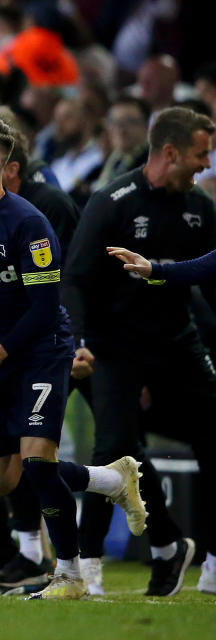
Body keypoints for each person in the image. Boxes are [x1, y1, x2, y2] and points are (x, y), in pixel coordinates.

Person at [0, 113, 146, 600]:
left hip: (40, 350)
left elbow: (45, 308)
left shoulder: (29, 224)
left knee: (38, 464)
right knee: (0, 479)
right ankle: (109, 479)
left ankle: (69, 575)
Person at [66, 106, 216, 597]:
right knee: (113, 452)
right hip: (116, 348)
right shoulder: (113, 201)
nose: (205, 164)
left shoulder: (202, 209)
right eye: (199, 154)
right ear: (169, 152)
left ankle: (208, 559)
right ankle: (89, 570)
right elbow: (76, 279)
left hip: (177, 341)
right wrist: (78, 342)